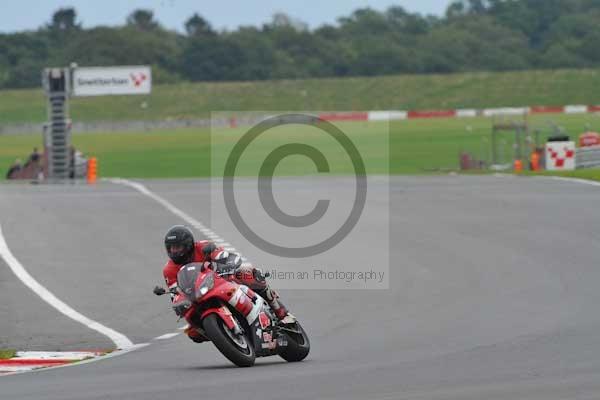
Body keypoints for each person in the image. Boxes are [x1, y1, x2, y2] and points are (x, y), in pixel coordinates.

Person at [161, 225, 295, 343]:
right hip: (198, 295)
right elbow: (175, 292)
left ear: (188, 244)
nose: (174, 251)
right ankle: (222, 332)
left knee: (252, 274)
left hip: (221, 280)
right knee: (193, 332)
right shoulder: (169, 269)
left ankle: (281, 312)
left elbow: (223, 255)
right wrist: (179, 303)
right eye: (171, 248)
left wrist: (228, 263)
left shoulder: (203, 247)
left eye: (178, 247)